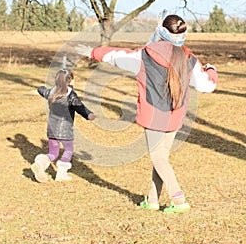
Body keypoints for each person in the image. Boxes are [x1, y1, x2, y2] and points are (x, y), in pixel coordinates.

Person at [77, 13, 218, 213]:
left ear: (161, 31)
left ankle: (178, 199)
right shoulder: (190, 58)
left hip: (153, 116)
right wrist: (211, 69)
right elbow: (207, 85)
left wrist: (92, 52)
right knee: (161, 157)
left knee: (159, 158)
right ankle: (152, 199)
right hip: (176, 116)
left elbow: (116, 56)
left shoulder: (143, 55)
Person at [31, 69, 95, 183]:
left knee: (53, 153)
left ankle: (40, 162)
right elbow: (80, 107)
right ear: (70, 81)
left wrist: (40, 88)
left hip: (52, 130)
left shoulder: (52, 92)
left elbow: (42, 90)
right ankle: (61, 174)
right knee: (68, 150)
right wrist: (89, 115)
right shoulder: (71, 96)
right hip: (65, 131)